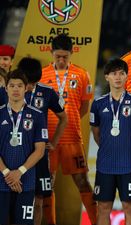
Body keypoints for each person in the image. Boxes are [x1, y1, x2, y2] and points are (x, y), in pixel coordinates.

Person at [40, 34, 97, 225]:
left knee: (82, 182)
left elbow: (84, 107)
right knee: (47, 184)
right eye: (58, 56)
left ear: (72, 53)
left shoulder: (82, 74)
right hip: (48, 141)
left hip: (72, 138)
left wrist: (68, 121)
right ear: (51, 53)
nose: (62, 60)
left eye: (65, 56)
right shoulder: (42, 75)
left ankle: (97, 221)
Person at [90, 59, 131, 225]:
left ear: (126, 76)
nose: (118, 77)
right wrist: (109, 148)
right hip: (105, 165)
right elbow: (96, 133)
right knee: (103, 207)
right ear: (106, 77)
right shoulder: (98, 104)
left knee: (129, 207)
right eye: (114, 73)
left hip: (128, 165)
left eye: (121, 73)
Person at [17, 57, 68, 225]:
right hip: (15, 154)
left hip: (39, 155)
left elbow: (63, 118)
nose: (29, 87)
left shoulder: (47, 92)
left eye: (33, 83)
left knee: (39, 200)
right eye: (27, 82)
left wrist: (53, 141)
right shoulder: (10, 91)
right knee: (14, 199)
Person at [0, 69, 47, 225]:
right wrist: (8, 174)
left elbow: (40, 150)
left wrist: (19, 173)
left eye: (19, 85)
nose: (15, 89)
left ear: (26, 88)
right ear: (5, 88)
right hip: (1, 181)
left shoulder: (37, 115)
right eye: (11, 85)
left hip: (25, 182)